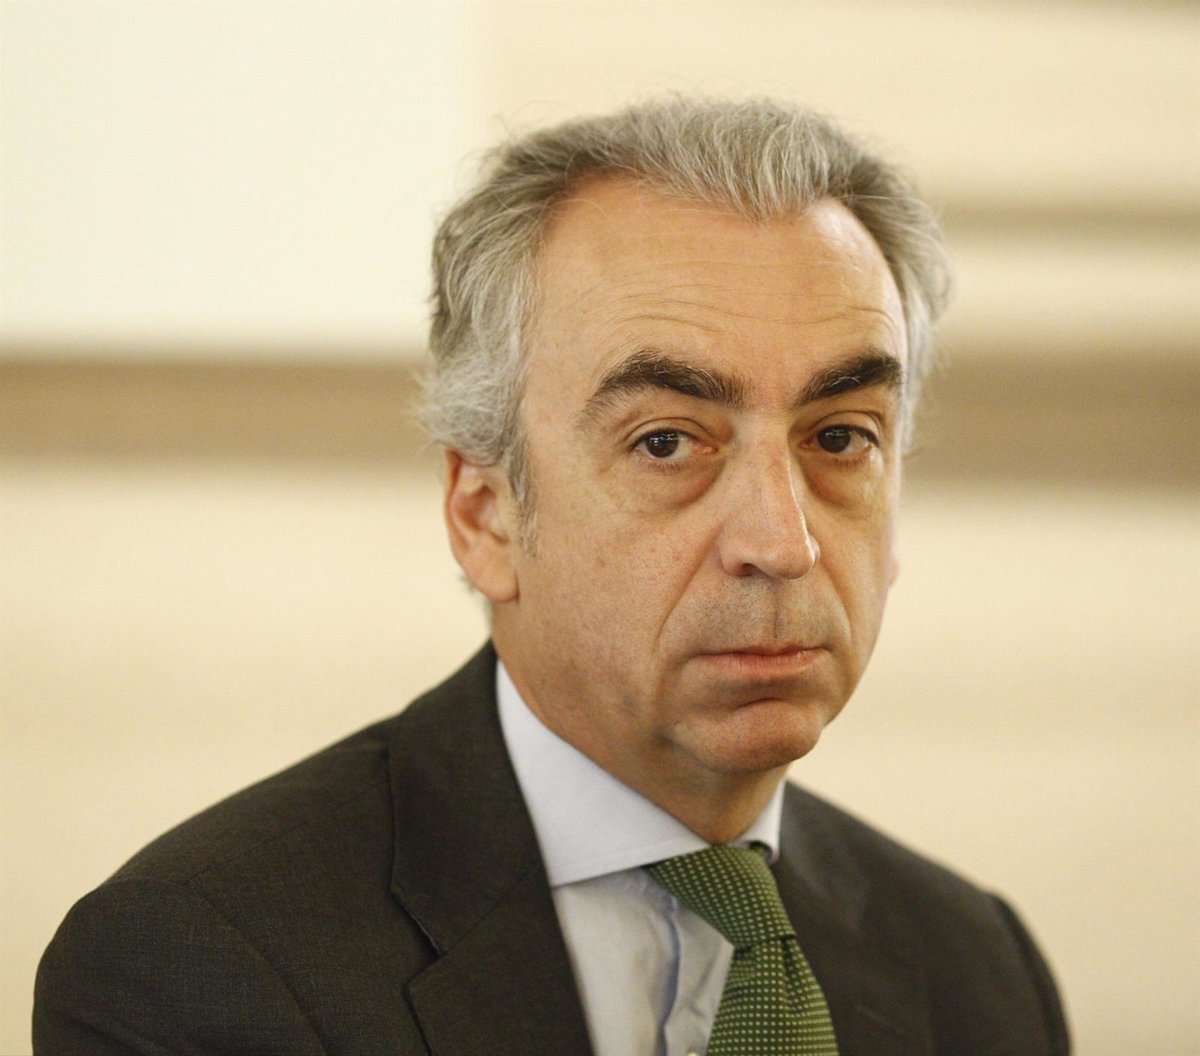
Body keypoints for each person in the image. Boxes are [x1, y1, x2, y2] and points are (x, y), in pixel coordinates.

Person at [34, 98, 1070, 1056]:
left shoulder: (978, 971)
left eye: (841, 436)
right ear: (485, 515)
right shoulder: (199, 967)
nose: (782, 540)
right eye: (667, 443)